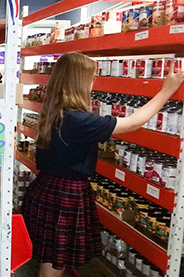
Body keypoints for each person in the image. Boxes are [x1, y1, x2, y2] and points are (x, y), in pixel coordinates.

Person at [22, 52, 184, 277]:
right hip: (66, 195)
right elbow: (132, 124)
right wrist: (166, 91)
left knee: (51, 262)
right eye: (92, 77)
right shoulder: (79, 120)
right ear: (80, 81)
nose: (93, 83)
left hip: (47, 188)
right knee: (54, 267)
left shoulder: (55, 112)